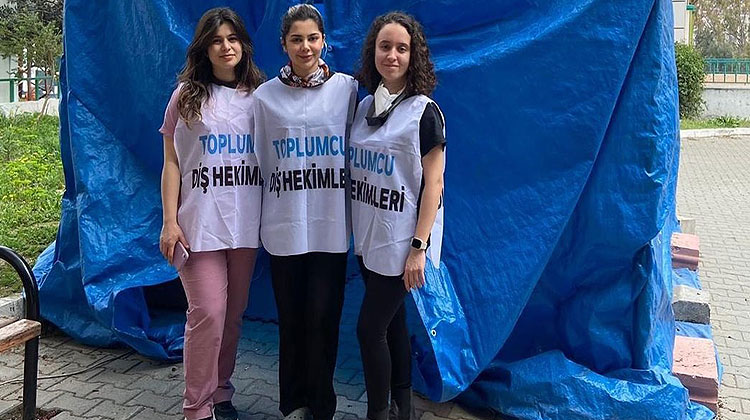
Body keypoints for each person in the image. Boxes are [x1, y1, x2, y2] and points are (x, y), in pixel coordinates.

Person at [252, 4, 358, 420]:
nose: (305, 47)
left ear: (324, 41)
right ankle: (293, 402)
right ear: (283, 44)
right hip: (285, 225)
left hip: (330, 226)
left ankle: (322, 405)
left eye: (312, 38)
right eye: (296, 39)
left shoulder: (347, 90)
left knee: (323, 318)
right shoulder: (265, 97)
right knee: (292, 318)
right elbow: (261, 158)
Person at [158, 7, 264, 420]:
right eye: (217, 40)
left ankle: (221, 391)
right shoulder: (184, 97)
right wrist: (170, 221)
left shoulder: (260, 96)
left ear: (243, 45)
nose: (226, 47)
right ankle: (197, 407)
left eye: (232, 39)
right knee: (207, 313)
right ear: (204, 47)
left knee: (232, 316)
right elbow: (172, 162)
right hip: (198, 225)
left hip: (244, 226)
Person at [350, 12, 446, 420]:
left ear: (414, 56)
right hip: (369, 237)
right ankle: (402, 408)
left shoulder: (424, 112)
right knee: (392, 325)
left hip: (401, 242)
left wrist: (418, 248)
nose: (392, 55)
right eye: (385, 46)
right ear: (372, 52)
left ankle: (378, 413)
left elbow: (434, 185)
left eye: (402, 48)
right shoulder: (364, 106)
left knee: (368, 330)